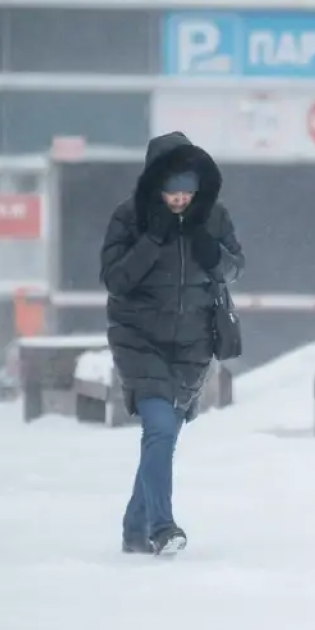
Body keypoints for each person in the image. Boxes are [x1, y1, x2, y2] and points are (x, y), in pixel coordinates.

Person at [99, 131, 245, 556]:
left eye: (187, 191)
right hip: (138, 340)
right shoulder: (129, 218)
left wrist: (211, 253)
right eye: (171, 191)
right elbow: (115, 279)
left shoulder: (214, 217)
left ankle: (134, 530)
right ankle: (162, 528)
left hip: (193, 347)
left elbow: (236, 267)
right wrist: (153, 240)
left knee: (162, 439)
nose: (180, 200)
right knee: (159, 428)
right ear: (154, 185)